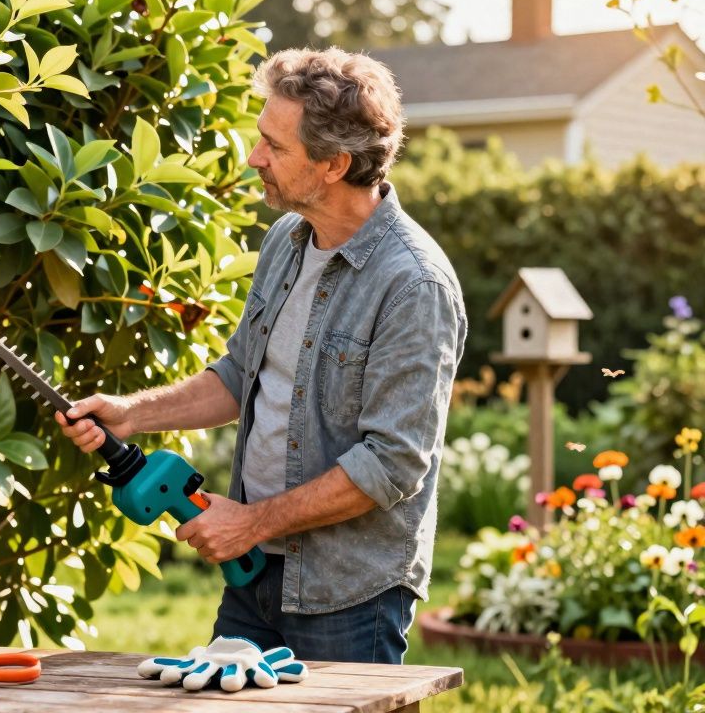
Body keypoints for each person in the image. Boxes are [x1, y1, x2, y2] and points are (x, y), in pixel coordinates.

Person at [55, 48, 467, 664]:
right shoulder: (287, 240)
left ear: (334, 164)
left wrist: (251, 523)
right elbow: (239, 374)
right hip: (253, 581)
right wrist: (132, 413)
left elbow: (392, 464)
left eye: (274, 146)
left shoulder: (413, 285)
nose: (254, 158)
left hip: (347, 595)